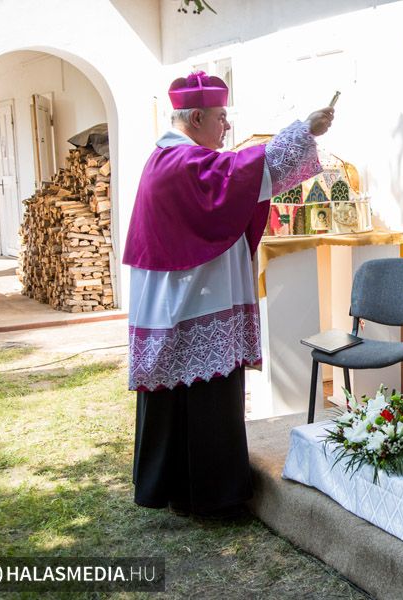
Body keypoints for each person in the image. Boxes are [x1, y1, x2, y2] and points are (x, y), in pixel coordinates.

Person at [122, 71, 333, 516]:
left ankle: (179, 489)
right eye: (221, 117)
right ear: (196, 116)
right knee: (205, 403)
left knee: (182, 402)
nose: (227, 127)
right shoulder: (182, 163)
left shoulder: (172, 157)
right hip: (192, 304)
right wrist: (303, 130)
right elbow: (241, 173)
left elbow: (234, 176)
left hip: (188, 301)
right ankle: (213, 497)